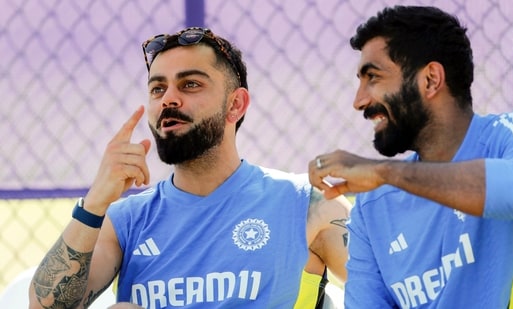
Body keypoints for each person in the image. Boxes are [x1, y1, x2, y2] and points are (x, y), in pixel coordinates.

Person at [28, 27, 351, 308]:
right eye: (158, 89)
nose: (168, 99)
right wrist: (95, 202)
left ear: (235, 104)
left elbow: (387, 291)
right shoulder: (124, 220)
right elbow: (46, 307)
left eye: (190, 85)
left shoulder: (308, 204)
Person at [308, 5, 513, 308]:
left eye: (373, 77)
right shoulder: (373, 205)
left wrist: (385, 172)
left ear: (431, 80)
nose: (359, 101)